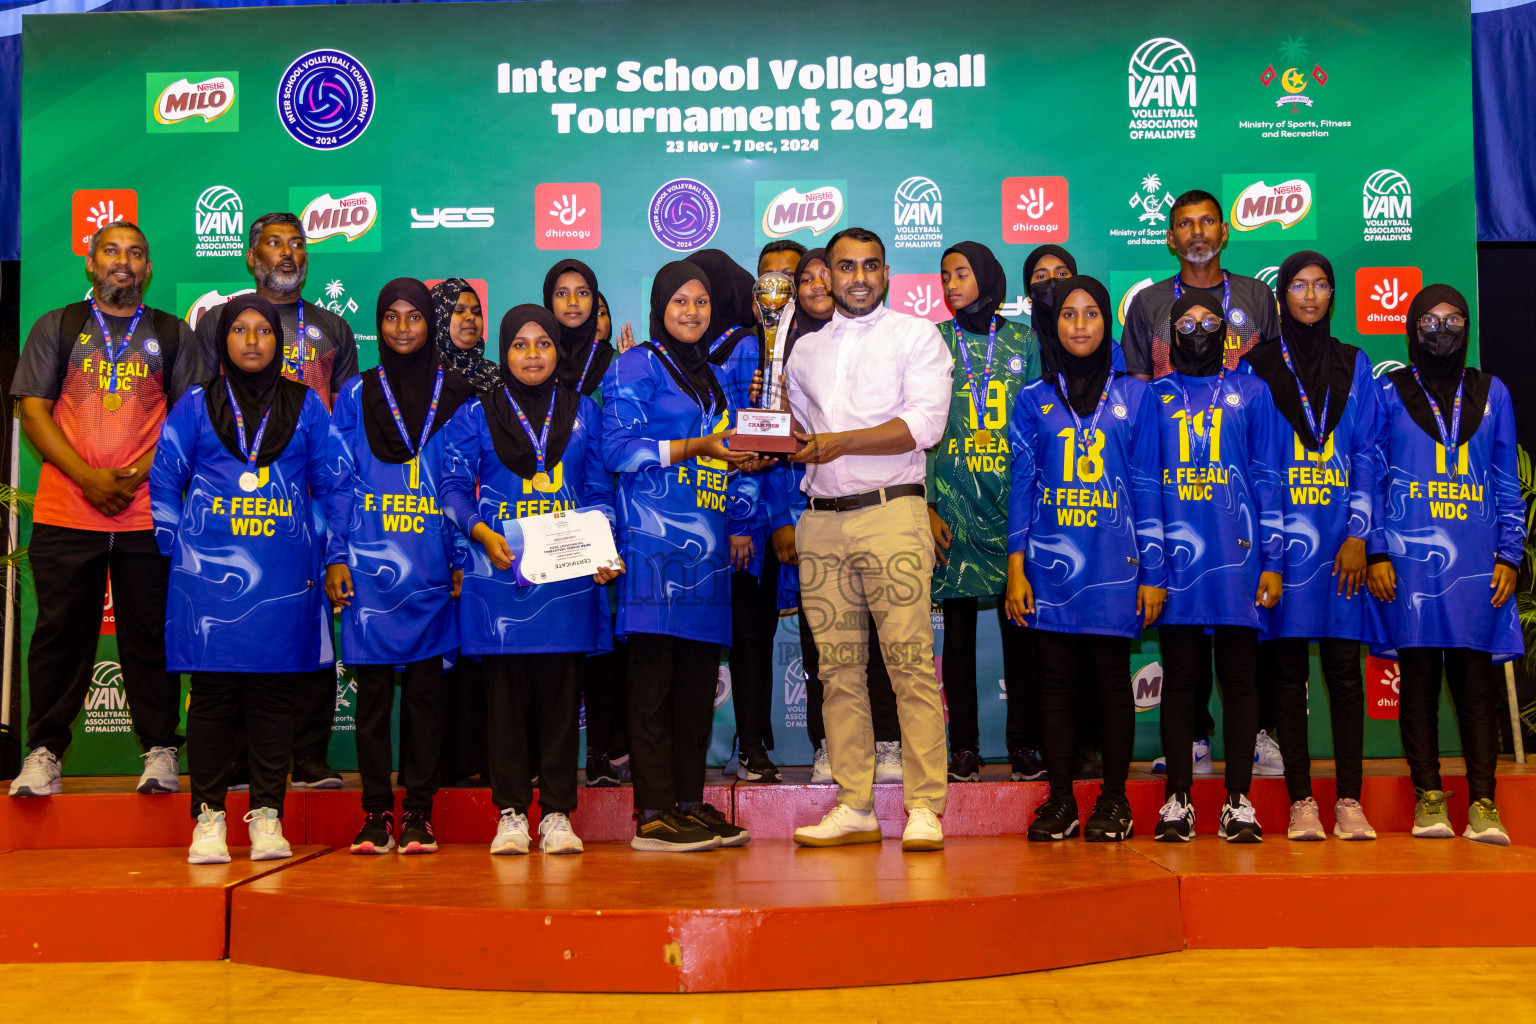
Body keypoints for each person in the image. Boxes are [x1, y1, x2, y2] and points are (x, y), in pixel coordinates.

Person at [9, 221, 199, 798]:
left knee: (152, 635)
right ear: (91, 265)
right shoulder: (58, 326)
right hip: (69, 510)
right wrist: (89, 478)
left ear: (149, 268)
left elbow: (190, 419)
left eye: (136, 253)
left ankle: (161, 752)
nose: (124, 262)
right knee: (60, 634)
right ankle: (44, 754)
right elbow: (33, 410)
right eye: (111, 252)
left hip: (149, 513)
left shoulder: (172, 334)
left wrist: (137, 474)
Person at [150, 296, 341, 864]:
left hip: (285, 581)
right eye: (240, 330)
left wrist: (327, 554)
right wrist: (175, 547)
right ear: (221, 339)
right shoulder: (193, 405)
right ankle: (207, 819)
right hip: (206, 582)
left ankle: (267, 816)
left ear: (278, 341)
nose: (253, 340)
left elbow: (333, 485)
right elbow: (163, 483)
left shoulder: (307, 406)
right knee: (210, 700)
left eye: (264, 330)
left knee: (273, 699)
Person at [786, 227, 952, 853]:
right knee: (837, 672)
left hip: (892, 514)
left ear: (886, 274)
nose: (859, 277)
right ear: (827, 275)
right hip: (822, 520)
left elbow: (923, 427)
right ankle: (854, 803)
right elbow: (803, 435)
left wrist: (841, 442)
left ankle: (925, 805)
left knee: (909, 666)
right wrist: (772, 436)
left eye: (871, 266)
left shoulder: (917, 336)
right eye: (846, 267)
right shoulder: (804, 352)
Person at [442, 305, 620, 855]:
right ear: (504, 352)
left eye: (543, 343)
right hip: (499, 579)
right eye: (520, 344)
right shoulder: (476, 414)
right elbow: (449, 486)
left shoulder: (584, 412)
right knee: (505, 704)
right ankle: (513, 813)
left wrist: (603, 546)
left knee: (563, 703)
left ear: (557, 351)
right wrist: (477, 532)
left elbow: (597, 493)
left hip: (567, 582)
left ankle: (559, 814)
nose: (534, 354)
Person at [194, 211, 360, 790]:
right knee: (239, 619)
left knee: (310, 626)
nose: (288, 254)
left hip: (309, 502)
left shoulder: (333, 329)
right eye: (274, 244)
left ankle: (308, 756)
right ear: (250, 256)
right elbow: (196, 404)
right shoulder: (218, 321)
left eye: (297, 244)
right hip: (230, 505)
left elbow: (347, 419)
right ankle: (236, 760)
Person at [602, 260, 764, 852]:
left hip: (707, 553)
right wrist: (699, 445)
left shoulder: (716, 378)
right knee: (652, 685)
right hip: (651, 548)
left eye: (700, 302)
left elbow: (727, 449)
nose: (692, 312)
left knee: (697, 684)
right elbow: (617, 448)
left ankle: (690, 804)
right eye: (680, 302)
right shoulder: (635, 364)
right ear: (659, 308)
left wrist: (748, 460)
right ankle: (651, 812)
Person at [1123, 190, 1280, 778]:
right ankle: (1193, 737)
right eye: (1184, 223)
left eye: (1207, 221)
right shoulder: (1149, 304)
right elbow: (1137, 393)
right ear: (1170, 236)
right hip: (1173, 482)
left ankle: (1256, 737)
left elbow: (1269, 384)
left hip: (1235, 472)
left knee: (1243, 630)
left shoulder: (1259, 298)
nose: (1197, 232)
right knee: (1183, 636)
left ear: (1224, 230)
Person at [1006, 276, 1165, 841]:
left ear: (1107, 324)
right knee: (1054, 682)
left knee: (1109, 682)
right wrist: (1016, 566)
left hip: (1116, 566)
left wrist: (1154, 573)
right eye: (1069, 314)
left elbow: (1149, 486)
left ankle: (1115, 800)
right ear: (1055, 324)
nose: (1079, 324)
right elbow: (1022, 484)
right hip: (1049, 568)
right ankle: (1061, 800)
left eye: (1092, 314)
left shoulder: (1138, 395)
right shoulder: (1032, 399)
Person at [1367, 285, 1522, 846]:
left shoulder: (1492, 391)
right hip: (1408, 567)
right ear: (1410, 328)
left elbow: (1506, 476)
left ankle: (1484, 803)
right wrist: (1377, 548)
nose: (1441, 330)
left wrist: (1511, 552)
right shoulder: (1390, 392)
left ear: (1468, 325)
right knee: (1420, 684)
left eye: (1453, 319)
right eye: (1428, 320)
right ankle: (1429, 797)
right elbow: (1373, 476)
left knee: (1474, 686)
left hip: (1479, 564)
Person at [326, 279, 474, 855]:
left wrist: (463, 559)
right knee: (372, 702)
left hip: (434, 565)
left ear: (429, 325)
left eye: (415, 316)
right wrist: (336, 556)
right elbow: (337, 483)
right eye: (392, 317)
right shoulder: (356, 393)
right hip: (369, 569)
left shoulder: (459, 392)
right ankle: (373, 814)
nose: (404, 327)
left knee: (425, 700)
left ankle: (418, 812)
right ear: (379, 325)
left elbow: (469, 484)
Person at [1242, 252, 1380, 841]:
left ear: (1332, 295)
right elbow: (1248, 464)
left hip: (1341, 543)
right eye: (1299, 285)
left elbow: (1371, 452)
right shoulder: (1256, 367)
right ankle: (1301, 800)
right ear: (1282, 295)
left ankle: (1349, 798)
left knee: (1346, 672)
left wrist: (1359, 536)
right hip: (1280, 541)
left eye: (1322, 285)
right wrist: (1266, 551)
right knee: (1287, 673)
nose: (1310, 295)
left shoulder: (1355, 362)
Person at [756, 248, 904, 783]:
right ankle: (830, 747)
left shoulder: (888, 339)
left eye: (828, 273)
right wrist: (778, 518)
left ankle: (887, 743)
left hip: (875, 506)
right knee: (828, 644)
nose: (819, 284)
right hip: (806, 512)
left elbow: (915, 429)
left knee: (886, 637)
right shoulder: (779, 352)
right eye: (806, 278)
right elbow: (775, 446)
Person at [1150, 289, 1283, 843]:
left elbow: (1273, 479)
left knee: (1239, 677)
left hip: (1240, 559)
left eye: (1209, 319)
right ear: (1169, 333)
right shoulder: (1150, 397)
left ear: (1226, 331)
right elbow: (1139, 487)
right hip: (1178, 561)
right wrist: (1151, 569)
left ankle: (1238, 801)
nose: (1198, 329)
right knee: (1181, 679)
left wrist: (1273, 560)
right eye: (1187, 320)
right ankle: (1177, 799)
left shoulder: (1253, 391)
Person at [931, 241, 1040, 784]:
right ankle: (965, 749)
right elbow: (918, 428)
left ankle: (1023, 745)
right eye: (945, 275)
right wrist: (926, 503)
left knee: (1021, 633)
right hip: (953, 504)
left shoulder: (1025, 340)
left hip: (1015, 505)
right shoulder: (935, 342)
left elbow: (1046, 425)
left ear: (989, 278)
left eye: (962, 274)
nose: (951, 284)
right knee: (957, 638)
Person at [694, 246, 785, 783]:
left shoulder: (749, 346)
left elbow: (756, 435)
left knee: (751, 641)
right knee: (704, 644)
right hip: (695, 520)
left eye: (708, 294)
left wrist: (743, 524)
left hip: (740, 524)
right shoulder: (680, 355)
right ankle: (701, 752)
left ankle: (752, 745)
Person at [543, 259, 632, 788]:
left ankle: (604, 750)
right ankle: (542, 758)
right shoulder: (532, 360)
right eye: (561, 293)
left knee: (604, 644)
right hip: (537, 520)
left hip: (603, 516)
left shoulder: (619, 366)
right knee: (548, 643)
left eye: (583, 293)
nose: (573, 303)